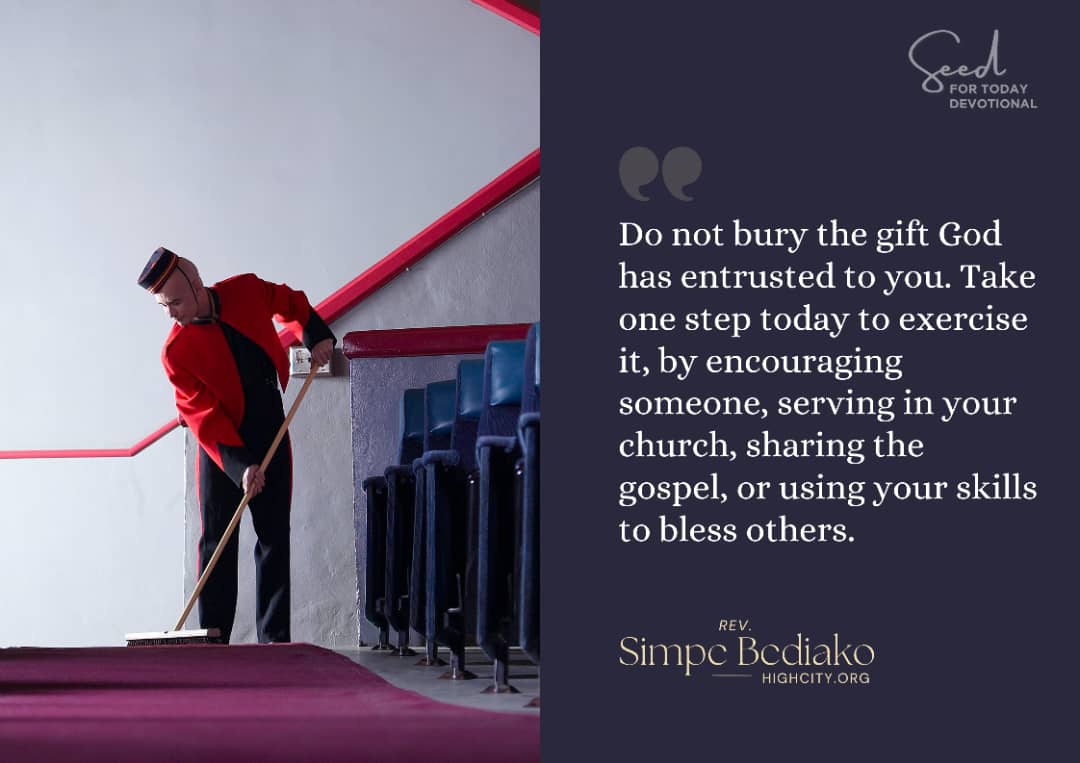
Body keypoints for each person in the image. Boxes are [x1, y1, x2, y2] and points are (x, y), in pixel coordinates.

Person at [137, 247, 335, 644]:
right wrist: (241, 466)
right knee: (217, 544)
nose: (171, 314)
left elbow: (290, 303)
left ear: (197, 285)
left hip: (270, 433)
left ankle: (274, 642)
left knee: (274, 536)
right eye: (163, 306)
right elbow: (201, 415)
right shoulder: (175, 352)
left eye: (175, 302)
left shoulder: (246, 290)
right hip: (221, 452)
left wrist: (315, 336)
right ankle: (213, 642)